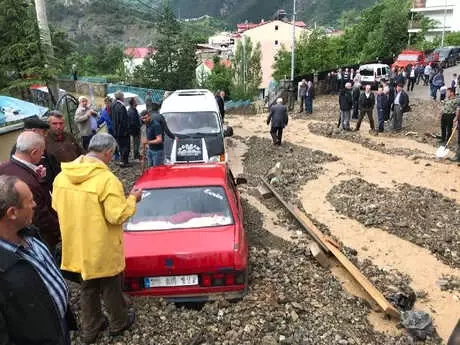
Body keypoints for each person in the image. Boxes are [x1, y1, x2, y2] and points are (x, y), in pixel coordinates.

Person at [52, 133, 142, 344]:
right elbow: (116, 215)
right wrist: (133, 199)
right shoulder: (106, 180)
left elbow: (56, 206)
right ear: (108, 152)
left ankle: (91, 328)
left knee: (88, 286)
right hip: (101, 245)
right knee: (110, 285)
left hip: (76, 244)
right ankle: (119, 323)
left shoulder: (62, 177)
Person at [0, 175, 76, 345]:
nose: (35, 205)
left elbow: (47, 266)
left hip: (58, 328)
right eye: (30, 201)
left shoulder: (30, 233)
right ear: (12, 212)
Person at [0, 132, 60, 250]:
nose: (43, 155)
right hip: (39, 239)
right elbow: (41, 216)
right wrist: (60, 230)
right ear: (34, 152)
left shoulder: (4, 167)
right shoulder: (28, 182)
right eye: (42, 152)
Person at [11, 116, 60, 189]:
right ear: (34, 131)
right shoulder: (21, 150)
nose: (45, 135)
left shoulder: (39, 144)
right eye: (43, 132)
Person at [111, 91, 131, 167]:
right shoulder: (121, 107)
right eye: (123, 96)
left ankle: (122, 160)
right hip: (123, 131)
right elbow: (123, 121)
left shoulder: (113, 105)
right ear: (121, 97)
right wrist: (127, 130)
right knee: (125, 146)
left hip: (116, 130)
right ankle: (124, 162)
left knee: (120, 146)